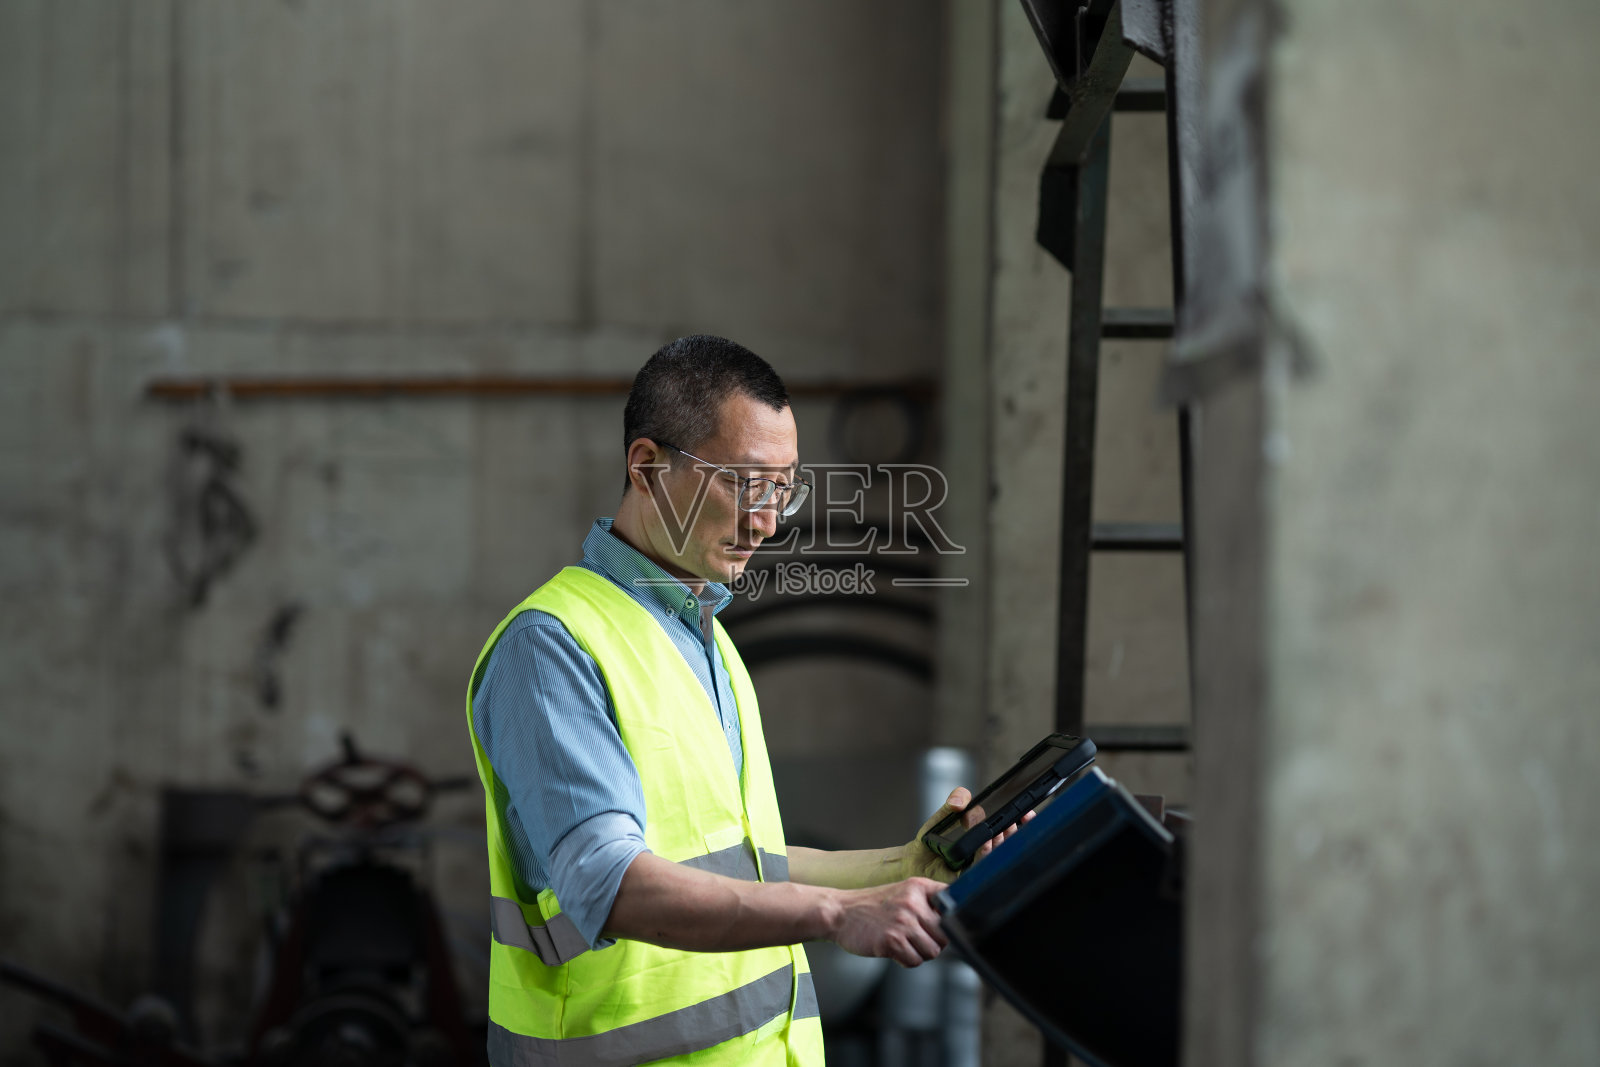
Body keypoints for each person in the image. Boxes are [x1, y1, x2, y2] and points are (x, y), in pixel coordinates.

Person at [464, 335, 1016, 1066]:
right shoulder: (551, 647)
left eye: (782, 489)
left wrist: (907, 865)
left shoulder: (705, 637)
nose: (767, 521)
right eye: (744, 484)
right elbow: (613, 884)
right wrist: (838, 913)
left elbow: (746, 862)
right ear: (647, 467)